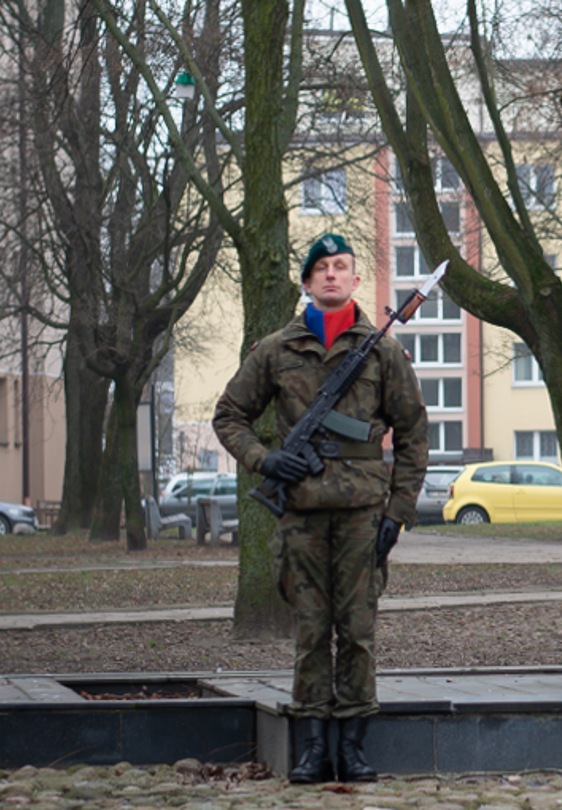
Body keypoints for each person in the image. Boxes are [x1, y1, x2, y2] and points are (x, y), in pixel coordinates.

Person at [213, 233, 429, 783]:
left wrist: (397, 513)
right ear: (307, 282)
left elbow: (413, 435)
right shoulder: (275, 350)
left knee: (358, 631)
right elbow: (229, 415)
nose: (332, 275)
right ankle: (312, 746)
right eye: (321, 268)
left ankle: (353, 747)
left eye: (342, 267)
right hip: (302, 512)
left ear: (356, 280)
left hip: (362, 514)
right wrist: (265, 461)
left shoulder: (381, 350)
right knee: (311, 632)